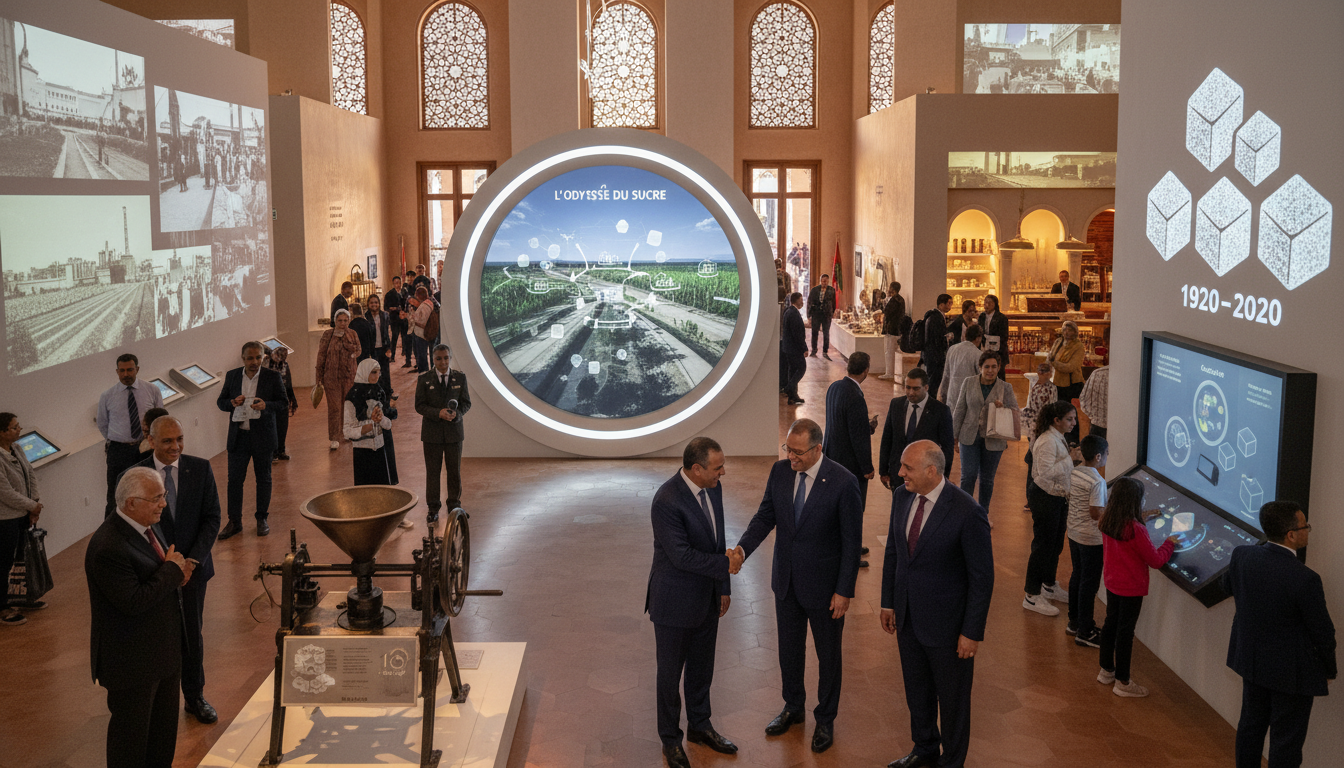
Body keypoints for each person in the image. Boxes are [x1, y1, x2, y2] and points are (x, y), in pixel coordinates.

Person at [732, 419, 863, 754]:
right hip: (786, 582)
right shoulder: (779, 473)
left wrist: (844, 590)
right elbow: (765, 517)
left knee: (828, 656)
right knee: (789, 651)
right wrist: (743, 550)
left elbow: (851, 543)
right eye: (788, 449)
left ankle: (825, 718)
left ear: (818, 449)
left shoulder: (843, 482)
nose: (791, 456)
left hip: (826, 589)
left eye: (798, 452)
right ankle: (793, 706)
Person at [881, 440, 994, 768]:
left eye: (907, 467)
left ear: (932, 471)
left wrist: (971, 632)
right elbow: (894, 551)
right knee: (917, 692)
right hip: (907, 617)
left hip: (949, 628)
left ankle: (952, 761)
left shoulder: (967, 511)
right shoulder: (902, 496)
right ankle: (924, 749)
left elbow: (981, 579)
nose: (900, 473)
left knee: (954, 701)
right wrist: (889, 601)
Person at [646, 437, 740, 768]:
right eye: (718, 468)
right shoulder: (667, 500)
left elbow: (718, 540)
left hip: (707, 599)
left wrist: (723, 585)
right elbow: (681, 556)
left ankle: (700, 728)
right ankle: (670, 740)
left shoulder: (712, 487)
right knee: (669, 678)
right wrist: (725, 565)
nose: (723, 473)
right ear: (696, 469)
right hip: (673, 603)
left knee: (702, 670)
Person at [85, 467, 188, 768]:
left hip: (162, 655)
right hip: (132, 664)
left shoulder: (144, 524)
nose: (163, 504)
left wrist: (173, 573)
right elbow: (133, 600)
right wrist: (172, 571)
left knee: (162, 737)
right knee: (130, 743)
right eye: (156, 498)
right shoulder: (108, 547)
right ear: (131, 503)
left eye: (164, 496)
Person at [1221, 501, 1336, 768]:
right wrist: (1329, 670)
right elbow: (1323, 633)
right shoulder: (1305, 579)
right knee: (1286, 744)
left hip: (1251, 662)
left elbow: (1227, 586)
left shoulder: (1242, 555)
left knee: (1250, 727)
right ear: (1291, 535)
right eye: (1305, 525)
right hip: (1291, 675)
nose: (1308, 530)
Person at [131, 416, 221, 724]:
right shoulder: (134, 475)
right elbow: (128, 526)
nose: (176, 446)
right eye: (168, 441)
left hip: (194, 571)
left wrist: (191, 562)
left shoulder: (200, 468)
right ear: (152, 441)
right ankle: (158, 701)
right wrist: (166, 566)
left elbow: (211, 519)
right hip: (154, 574)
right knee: (160, 635)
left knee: (191, 634)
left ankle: (194, 697)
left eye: (180, 439)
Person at [1097, 477, 1176, 697]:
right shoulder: (1136, 530)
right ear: (1134, 500)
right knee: (1125, 633)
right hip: (1131, 588)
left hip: (1112, 582)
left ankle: (1106, 670)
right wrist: (1170, 542)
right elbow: (1156, 560)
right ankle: (1123, 682)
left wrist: (1144, 517)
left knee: (1111, 624)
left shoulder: (1107, 519)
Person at [215, 342, 286, 539]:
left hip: (263, 437)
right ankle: (234, 522)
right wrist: (231, 403)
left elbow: (283, 403)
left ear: (263, 357)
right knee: (234, 481)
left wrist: (266, 405)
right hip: (239, 437)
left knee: (264, 478)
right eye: (250, 358)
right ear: (243, 358)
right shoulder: (232, 376)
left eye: (258, 358)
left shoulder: (272, 377)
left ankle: (262, 518)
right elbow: (220, 402)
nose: (254, 362)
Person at [1023, 401, 1081, 616]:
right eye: (1069, 419)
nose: (1074, 423)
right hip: (1045, 497)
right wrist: (1070, 459)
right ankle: (1031, 595)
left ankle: (1048, 585)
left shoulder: (1058, 437)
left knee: (1055, 545)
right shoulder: (1047, 440)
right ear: (1056, 421)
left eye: (1074, 419)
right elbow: (1044, 474)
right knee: (1042, 546)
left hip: (1058, 497)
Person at [822, 352, 877, 568]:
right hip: (851, 466)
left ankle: (849, 546)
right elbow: (857, 437)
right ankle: (851, 555)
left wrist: (867, 426)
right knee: (854, 510)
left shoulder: (835, 387)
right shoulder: (856, 396)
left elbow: (843, 425)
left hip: (833, 458)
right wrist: (867, 468)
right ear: (866, 370)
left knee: (839, 508)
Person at [950, 351, 1019, 516]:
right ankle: (963, 514)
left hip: (994, 440)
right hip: (969, 436)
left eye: (994, 367)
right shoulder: (968, 382)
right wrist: (954, 436)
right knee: (968, 476)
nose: (990, 370)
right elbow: (960, 409)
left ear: (999, 367)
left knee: (987, 479)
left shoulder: (1005, 387)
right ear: (980, 367)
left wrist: (1003, 407)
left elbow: (1015, 411)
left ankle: (982, 514)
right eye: (986, 366)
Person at [97, 353, 165, 517]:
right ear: (117, 371)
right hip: (118, 451)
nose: (126, 374)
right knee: (115, 494)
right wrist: (121, 440)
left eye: (129, 370)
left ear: (137, 369)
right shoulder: (107, 396)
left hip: (146, 449)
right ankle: (112, 535)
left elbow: (160, 418)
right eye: (122, 371)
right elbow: (103, 424)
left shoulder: (152, 390)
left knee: (151, 490)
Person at [416, 345, 470, 523]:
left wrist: (458, 414)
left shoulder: (460, 378)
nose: (443, 362)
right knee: (433, 472)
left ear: (450, 358)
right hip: (432, 434)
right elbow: (419, 405)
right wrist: (437, 413)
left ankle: (454, 506)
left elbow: (466, 403)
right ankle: (433, 508)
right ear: (433, 359)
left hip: (454, 433)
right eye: (439, 358)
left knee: (454, 471)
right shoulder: (424, 379)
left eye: (446, 358)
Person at [1066, 435, 1108, 649]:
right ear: (1099, 456)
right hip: (1091, 539)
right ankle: (1085, 631)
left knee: (1077, 576)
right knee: (1088, 584)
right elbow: (1095, 513)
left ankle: (1074, 622)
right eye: (1106, 455)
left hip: (1073, 532)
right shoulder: (1097, 482)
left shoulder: (1075, 472)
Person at [0, 412, 42, 625]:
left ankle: (22, 597)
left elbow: (30, 474)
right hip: (5, 520)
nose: (19, 429)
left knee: (20, 560)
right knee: (3, 562)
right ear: (2, 432)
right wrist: (32, 505)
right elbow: (5, 492)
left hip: (23, 514)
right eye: (14, 427)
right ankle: (3, 608)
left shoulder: (16, 448)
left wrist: (34, 502)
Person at [879, 368, 954, 487]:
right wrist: (883, 470)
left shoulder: (940, 411)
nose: (911, 392)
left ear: (926, 387)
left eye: (916, 388)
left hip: (925, 476)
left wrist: (942, 476)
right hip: (899, 473)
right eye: (908, 387)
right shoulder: (896, 405)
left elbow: (947, 448)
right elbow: (887, 438)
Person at [344, 360, 398, 485]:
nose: (377, 376)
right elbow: (347, 431)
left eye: (379, 372)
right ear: (364, 372)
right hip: (362, 451)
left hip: (381, 447)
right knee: (366, 492)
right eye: (373, 372)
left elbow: (388, 424)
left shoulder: (379, 391)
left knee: (383, 490)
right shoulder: (352, 397)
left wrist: (382, 419)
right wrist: (369, 426)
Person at [315, 309, 361, 450]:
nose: (342, 323)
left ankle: (346, 432)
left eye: (345, 320)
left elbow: (359, 350)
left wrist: (350, 349)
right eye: (340, 320)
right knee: (335, 408)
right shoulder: (328, 335)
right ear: (335, 321)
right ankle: (334, 437)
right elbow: (321, 355)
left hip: (348, 377)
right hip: (331, 377)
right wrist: (319, 377)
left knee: (347, 406)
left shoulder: (352, 334)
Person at [1046, 320, 1086, 444]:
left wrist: (1055, 363)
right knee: (1060, 411)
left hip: (1071, 385)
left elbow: (1071, 367)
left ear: (1075, 332)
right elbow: (1050, 357)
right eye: (1064, 330)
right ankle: (1060, 436)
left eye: (1070, 330)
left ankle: (1073, 440)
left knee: (1071, 413)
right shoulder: (1058, 342)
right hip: (1058, 382)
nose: (1067, 332)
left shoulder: (1078, 346)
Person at [264, 346, 299, 462]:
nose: (280, 358)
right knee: (272, 426)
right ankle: (273, 452)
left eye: (283, 356)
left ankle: (281, 450)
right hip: (271, 400)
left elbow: (288, 382)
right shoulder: (266, 364)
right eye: (278, 356)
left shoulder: (285, 364)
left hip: (283, 399)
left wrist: (291, 397)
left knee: (283, 426)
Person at [939, 325, 984, 407]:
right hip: (969, 400)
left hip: (952, 397)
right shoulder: (978, 354)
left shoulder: (952, 349)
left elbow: (946, 376)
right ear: (978, 338)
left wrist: (943, 396)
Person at [920, 294, 953, 401]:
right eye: (949, 303)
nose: (950, 305)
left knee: (933, 381)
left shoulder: (934, 316)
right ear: (941, 304)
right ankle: (931, 404)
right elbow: (936, 338)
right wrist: (947, 338)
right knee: (934, 382)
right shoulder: (936, 318)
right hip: (935, 356)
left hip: (932, 355)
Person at [781, 292, 807, 405]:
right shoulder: (794, 314)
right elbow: (797, 334)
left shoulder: (788, 311)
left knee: (792, 371)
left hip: (788, 347)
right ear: (796, 300)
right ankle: (789, 388)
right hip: (794, 348)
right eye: (801, 299)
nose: (802, 302)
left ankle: (792, 397)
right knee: (802, 368)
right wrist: (804, 348)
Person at [364, 293, 393, 391]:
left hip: (383, 347)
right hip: (372, 349)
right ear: (368, 304)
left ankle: (387, 392)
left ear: (379, 303)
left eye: (376, 302)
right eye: (371, 302)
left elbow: (388, 332)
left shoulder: (384, 315)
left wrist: (389, 348)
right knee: (374, 372)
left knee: (385, 371)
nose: (374, 304)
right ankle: (377, 392)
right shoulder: (365, 317)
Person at [977, 294, 1009, 380]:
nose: (986, 305)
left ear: (995, 304)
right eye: (985, 303)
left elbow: (1004, 336)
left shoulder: (1001, 318)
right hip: (985, 349)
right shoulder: (982, 316)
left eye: (989, 303)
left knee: (999, 374)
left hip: (998, 350)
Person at [880, 282, 907, 381]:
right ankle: (892, 371)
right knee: (892, 351)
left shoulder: (894, 300)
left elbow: (886, 311)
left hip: (891, 329)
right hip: (897, 329)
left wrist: (886, 299)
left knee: (889, 351)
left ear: (892, 289)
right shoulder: (901, 299)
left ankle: (889, 372)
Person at [807, 274, 837, 359]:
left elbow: (833, 303)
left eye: (826, 281)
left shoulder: (831, 290)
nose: (824, 283)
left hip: (826, 315)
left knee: (826, 333)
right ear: (820, 281)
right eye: (823, 281)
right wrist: (809, 315)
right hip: (816, 314)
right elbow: (809, 302)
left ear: (828, 281)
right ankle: (814, 350)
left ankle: (825, 351)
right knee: (814, 332)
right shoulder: (814, 290)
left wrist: (832, 313)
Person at [1079, 364, 1109, 438]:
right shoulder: (1132, 374)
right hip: (1123, 427)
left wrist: (1094, 417)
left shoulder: (1098, 373)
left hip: (1098, 425)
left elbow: (1083, 399)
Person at [410, 286, 435, 373]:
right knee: (421, 356)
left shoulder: (425, 305)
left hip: (422, 334)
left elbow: (423, 320)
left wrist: (413, 319)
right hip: (420, 334)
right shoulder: (426, 303)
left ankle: (424, 374)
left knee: (422, 356)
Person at [385, 275, 407, 361]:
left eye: (399, 283)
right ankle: (392, 355)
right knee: (394, 337)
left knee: (404, 336)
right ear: (393, 284)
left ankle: (405, 352)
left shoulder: (405, 292)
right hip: (394, 319)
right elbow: (386, 307)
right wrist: (393, 308)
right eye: (396, 283)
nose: (398, 285)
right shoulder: (389, 294)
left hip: (404, 318)